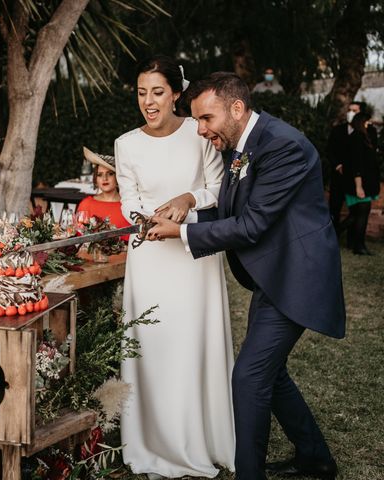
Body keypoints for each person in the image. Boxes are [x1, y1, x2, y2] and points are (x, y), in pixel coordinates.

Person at [148, 72, 346, 480]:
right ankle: (316, 458)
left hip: (297, 275)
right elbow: (229, 208)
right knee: (269, 374)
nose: (201, 130)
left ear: (236, 108)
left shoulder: (283, 146)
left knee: (250, 376)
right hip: (273, 274)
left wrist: (182, 232)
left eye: (206, 118)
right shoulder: (244, 143)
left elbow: (251, 225)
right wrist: (187, 208)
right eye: (198, 121)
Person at [116, 56, 236, 478]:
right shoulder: (125, 143)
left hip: (191, 257)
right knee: (153, 346)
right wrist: (145, 218)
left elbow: (218, 189)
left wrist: (187, 201)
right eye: (141, 92)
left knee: (190, 344)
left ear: (176, 94)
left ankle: (197, 437)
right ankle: (151, 438)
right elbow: (127, 200)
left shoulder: (198, 134)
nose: (148, 101)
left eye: (157, 92)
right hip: (148, 258)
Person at [327, 101, 378, 235]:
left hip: (357, 176)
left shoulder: (369, 131)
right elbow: (330, 150)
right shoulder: (338, 130)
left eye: (354, 111)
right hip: (340, 176)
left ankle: (353, 240)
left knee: (357, 210)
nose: (350, 113)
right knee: (335, 207)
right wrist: (338, 165)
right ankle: (332, 237)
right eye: (349, 110)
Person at [342, 111, 381, 255]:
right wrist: (359, 187)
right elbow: (356, 164)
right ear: (361, 122)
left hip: (364, 183)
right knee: (361, 214)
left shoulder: (364, 137)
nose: (370, 125)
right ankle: (359, 246)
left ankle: (335, 235)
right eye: (367, 122)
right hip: (358, 184)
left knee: (355, 215)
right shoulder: (357, 138)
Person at [76, 147, 130, 240]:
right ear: (95, 179)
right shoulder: (86, 204)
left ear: (117, 177)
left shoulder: (129, 204)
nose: (104, 178)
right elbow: (79, 237)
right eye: (100, 174)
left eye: (110, 174)